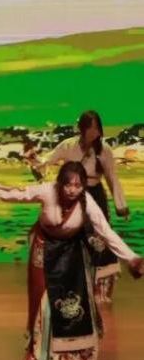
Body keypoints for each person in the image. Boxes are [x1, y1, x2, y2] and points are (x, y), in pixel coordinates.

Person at [0, 163, 143, 360]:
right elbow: (12, 194)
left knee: (71, 300)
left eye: (78, 186)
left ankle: (72, 353)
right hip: (44, 247)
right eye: (68, 185)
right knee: (44, 301)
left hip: (70, 252)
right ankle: (42, 352)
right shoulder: (47, 191)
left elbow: (106, 232)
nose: (72, 190)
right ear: (59, 183)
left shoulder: (86, 201)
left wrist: (132, 258)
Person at [27, 111, 129, 302]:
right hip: (72, 196)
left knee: (100, 237)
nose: (94, 131)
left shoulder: (104, 150)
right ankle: (68, 285)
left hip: (95, 194)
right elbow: (48, 160)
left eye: (97, 128)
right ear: (82, 128)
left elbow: (111, 177)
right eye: (90, 127)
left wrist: (121, 205)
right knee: (69, 237)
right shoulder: (68, 145)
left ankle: (101, 288)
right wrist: (35, 160)